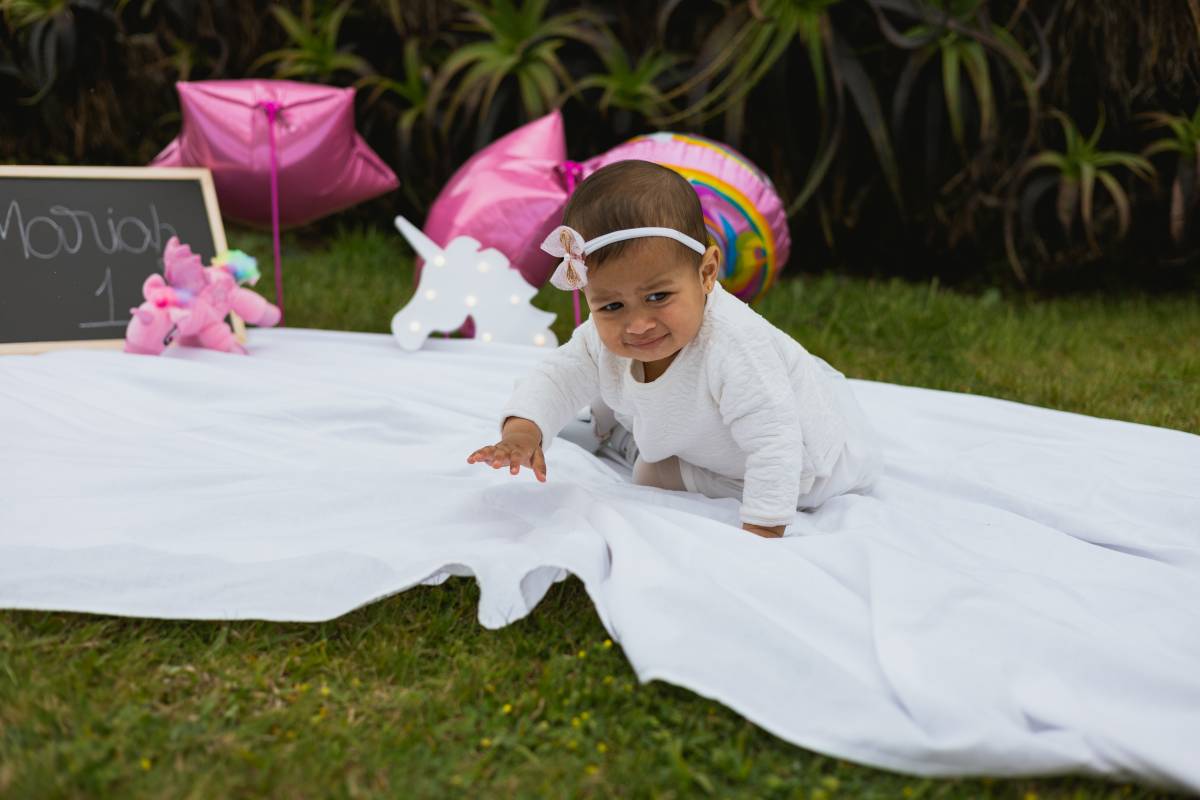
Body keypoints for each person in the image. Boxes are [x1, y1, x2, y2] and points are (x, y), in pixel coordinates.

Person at [467, 160, 880, 537]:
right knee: (627, 422)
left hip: (809, 469)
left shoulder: (732, 345)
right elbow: (557, 377)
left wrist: (762, 531)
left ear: (706, 273)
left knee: (652, 470)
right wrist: (523, 431)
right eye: (611, 305)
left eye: (658, 297)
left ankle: (622, 439)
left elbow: (775, 440)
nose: (638, 324)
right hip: (718, 448)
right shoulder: (608, 332)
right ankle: (615, 432)